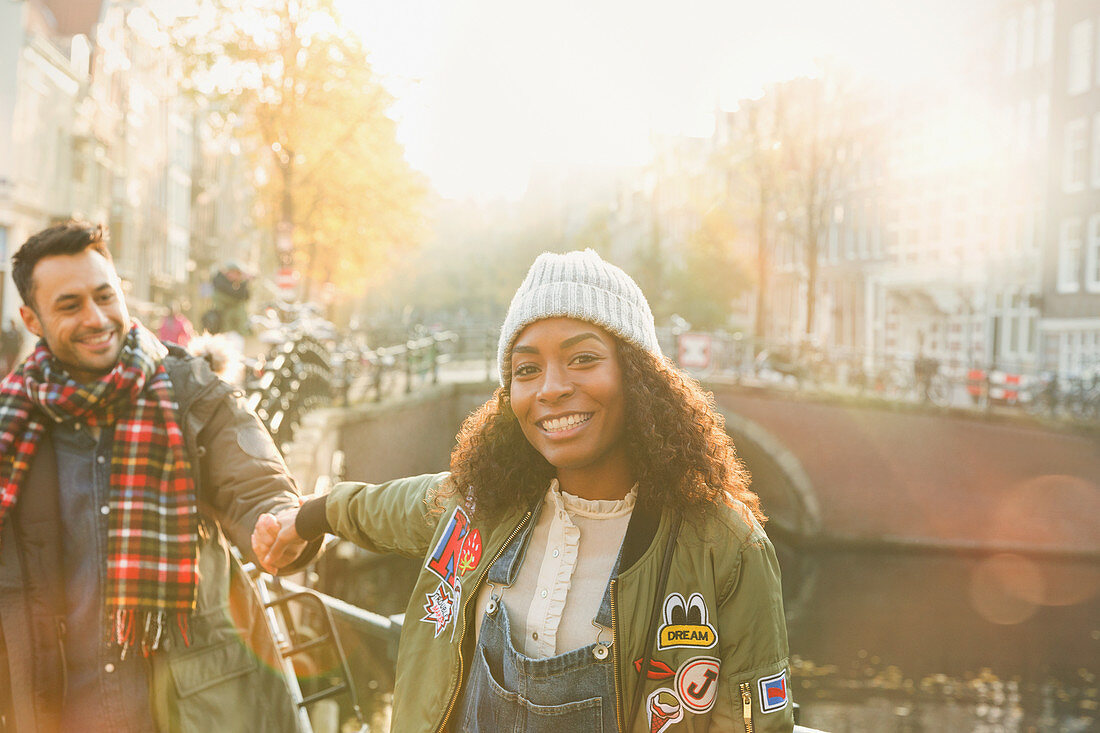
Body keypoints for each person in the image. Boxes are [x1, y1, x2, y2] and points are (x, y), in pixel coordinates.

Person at [254, 249, 795, 732]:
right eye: (527, 369)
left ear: (640, 377)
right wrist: (307, 518)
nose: (552, 388)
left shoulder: (725, 546)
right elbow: (382, 508)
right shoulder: (480, 505)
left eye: (583, 358)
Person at [0, 220, 319, 732]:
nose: (97, 317)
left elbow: (257, 485)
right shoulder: (10, 425)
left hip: (192, 711)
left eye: (106, 296)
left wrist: (281, 525)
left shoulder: (190, 391)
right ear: (31, 320)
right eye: (69, 305)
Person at [210, 261, 252, 337]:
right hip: (225, 328)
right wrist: (244, 283)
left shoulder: (233, 285)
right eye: (235, 273)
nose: (236, 276)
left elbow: (246, 296)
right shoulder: (221, 285)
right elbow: (236, 298)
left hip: (235, 328)